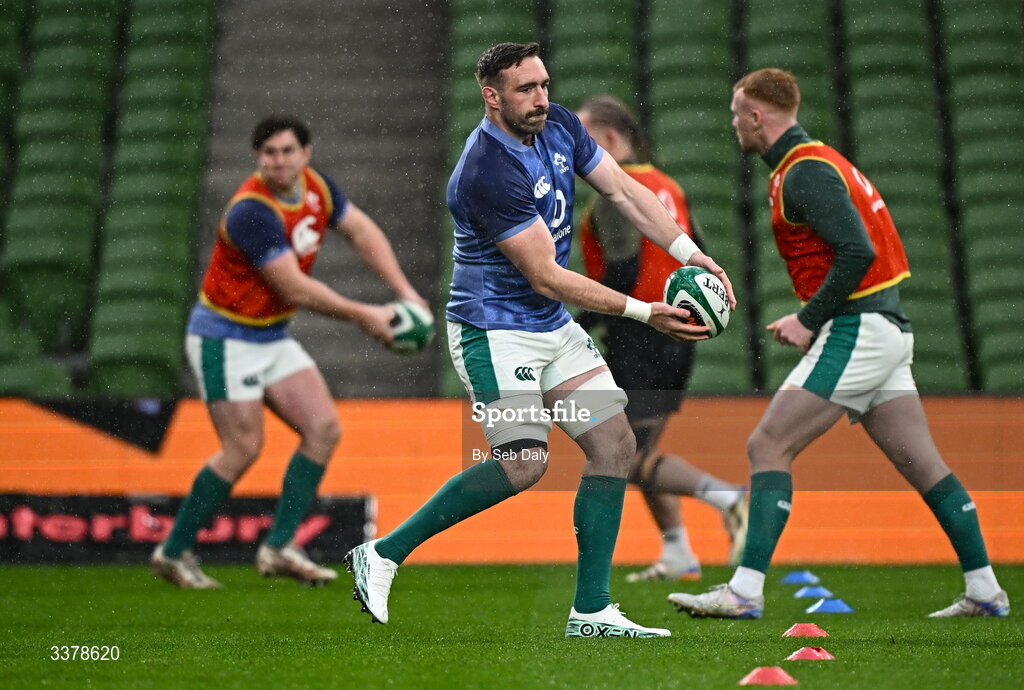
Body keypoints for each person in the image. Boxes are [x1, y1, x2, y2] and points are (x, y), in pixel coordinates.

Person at [344, 42, 735, 638]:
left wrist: (693, 255)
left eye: (544, 84)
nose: (541, 99)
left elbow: (627, 192)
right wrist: (641, 311)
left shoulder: (561, 127)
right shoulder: (485, 169)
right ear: (491, 95)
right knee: (524, 464)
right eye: (525, 89)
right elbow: (546, 275)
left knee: (614, 443)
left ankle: (592, 611)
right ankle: (384, 553)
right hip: (494, 329)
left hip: (550, 327)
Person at [669, 68, 1008, 619]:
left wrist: (808, 319)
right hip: (888, 330)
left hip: (860, 329)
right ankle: (985, 589)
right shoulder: (818, 161)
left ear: (757, 116)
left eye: (737, 116)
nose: (734, 126)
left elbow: (856, 253)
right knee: (924, 466)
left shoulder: (804, 174)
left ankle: (744, 592)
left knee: (767, 445)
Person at [151, 114, 427, 588]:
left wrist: (404, 292)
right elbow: (294, 287)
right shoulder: (250, 211)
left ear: (306, 153)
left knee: (323, 428)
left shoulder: (316, 186)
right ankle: (172, 553)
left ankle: (278, 548)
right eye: (269, 153)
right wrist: (368, 315)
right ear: (258, 158)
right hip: (225, 337)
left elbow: (361, 230)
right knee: (242, 449)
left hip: (270, 334)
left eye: (286, 151)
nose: (278, 161)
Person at [575, 95, 748, 582]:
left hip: (641, 333)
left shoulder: (617, 192)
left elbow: (624, 271)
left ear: (609, 140)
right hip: (675, 333)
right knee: (632, 445)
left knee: (623, 452)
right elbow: (699, 257)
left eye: (581, 139)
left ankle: (726, 497)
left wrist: (582, 321)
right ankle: (676, 551)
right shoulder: (667, 186)